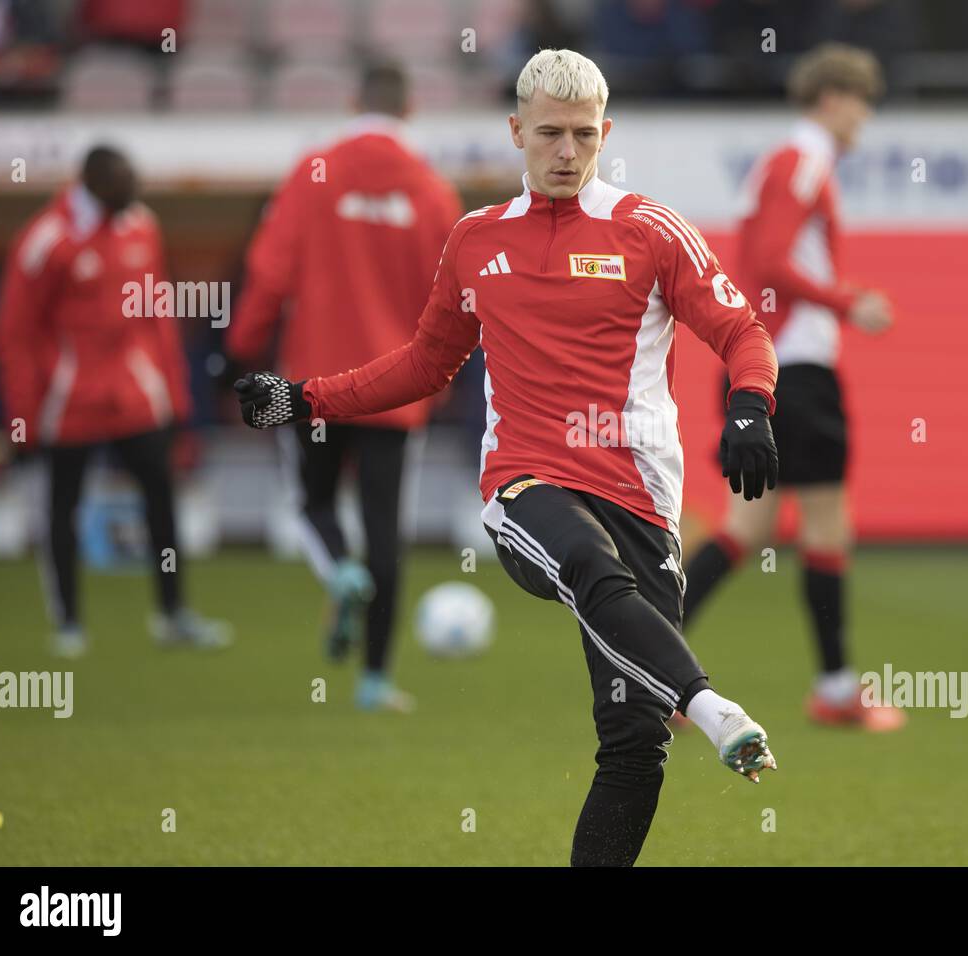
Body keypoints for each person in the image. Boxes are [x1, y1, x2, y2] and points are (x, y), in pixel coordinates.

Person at [234, 48, 779, 867]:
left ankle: (676, 717)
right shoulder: (474, 240)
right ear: (516, 131)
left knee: (633, 746)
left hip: (641, 496)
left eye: (585, 136)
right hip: (527, 483)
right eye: (550, 134)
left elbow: (742, 331)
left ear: (606, 135)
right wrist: (305, 397)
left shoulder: (652, 231)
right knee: (592, 569)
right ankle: (710, 706)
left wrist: (749, 405)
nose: (567, 151)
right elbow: (424, 363)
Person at [679, 44, 904, 731]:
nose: (865, 115)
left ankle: (647, 670)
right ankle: (836, 690)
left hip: (762, 369)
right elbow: (772, 261)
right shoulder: (804, 160)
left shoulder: (783, 163)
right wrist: (847, 302)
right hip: (797, 369)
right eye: (862, 99)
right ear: (832, 98)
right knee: (829, 526)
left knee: (746, 528)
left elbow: (759, 262)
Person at [227, 64, 462, 713]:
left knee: (312, 503)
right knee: (386, 527)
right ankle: (375, 681)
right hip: (396, 388)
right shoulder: (433, 190)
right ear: (410, 108)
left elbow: (269, 271)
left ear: (355, 100)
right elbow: (454, 301)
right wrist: (436, 385)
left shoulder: (314, 172)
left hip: (315, 384)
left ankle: (339, 571)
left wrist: (241, 351)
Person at [0, 145, 229, 658]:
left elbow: (159, 316)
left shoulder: (140, 225)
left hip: (136, 395)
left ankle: (173, 614)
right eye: (122, 186)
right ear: (95, 185)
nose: (132, 196)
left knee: (161, 499)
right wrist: (23, 417)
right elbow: (14, 333)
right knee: (63, 507)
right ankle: (68, 622)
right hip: (70, 399)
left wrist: (176, 396)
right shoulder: (46, 240)